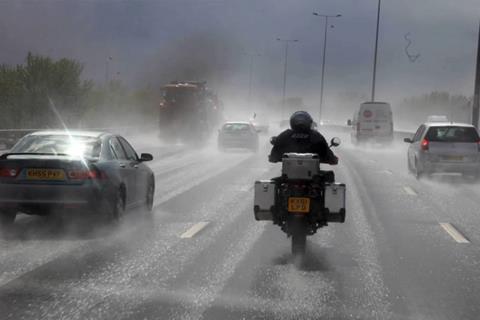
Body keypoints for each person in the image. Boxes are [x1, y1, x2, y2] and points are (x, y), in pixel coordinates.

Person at [269, 111, 338, 164]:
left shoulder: (285, 135)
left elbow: (274, 153)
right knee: (329, 178)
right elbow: (326, 150)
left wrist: (274, 157)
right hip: (314, 180)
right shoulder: (316, 135)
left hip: (289, 178)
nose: (300, 123)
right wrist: (332, 159)